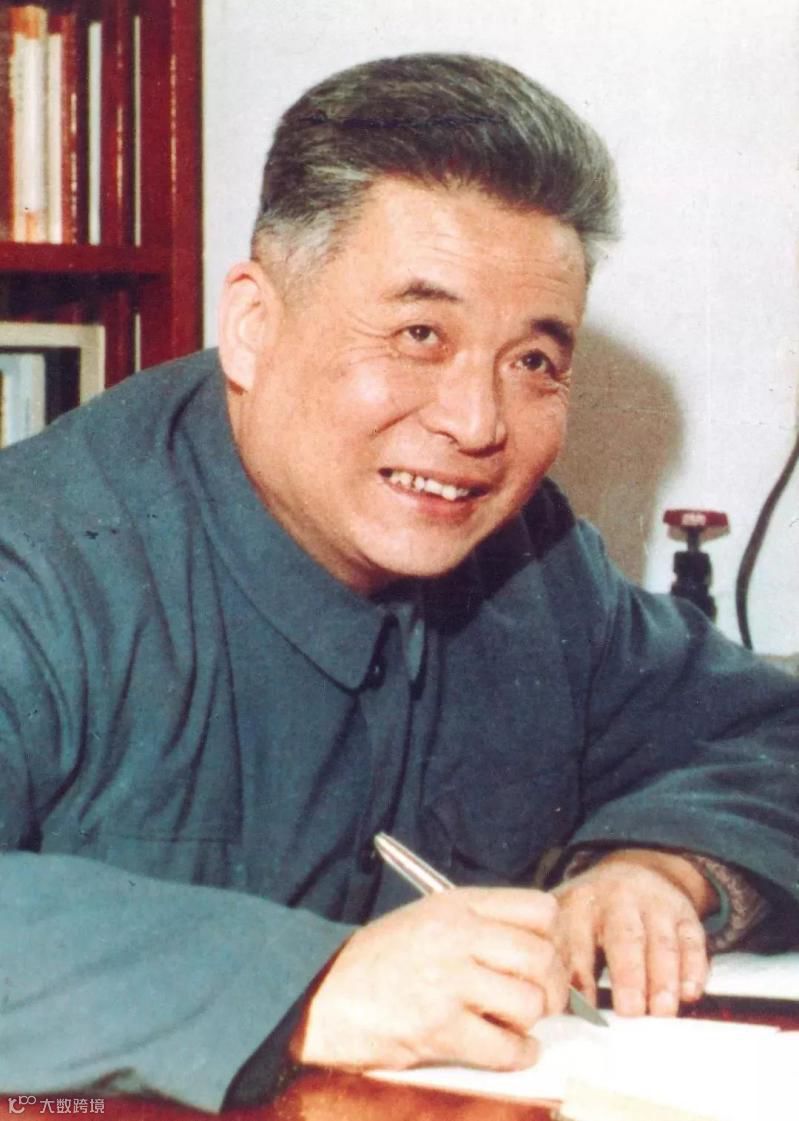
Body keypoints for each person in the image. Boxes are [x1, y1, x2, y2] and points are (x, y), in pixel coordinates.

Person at [0, 53, 797, 1112]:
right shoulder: (43, 560)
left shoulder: (530, 566)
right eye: (420, 335)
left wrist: (666, 865)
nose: (477, 422)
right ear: (254, 325)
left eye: (533, 362)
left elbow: (769, 734)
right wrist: (313, 983)